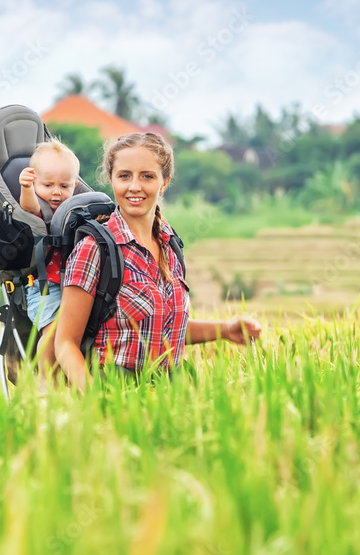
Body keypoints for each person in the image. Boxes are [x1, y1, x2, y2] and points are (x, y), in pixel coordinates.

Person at [53, 132, 261, 390]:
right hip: (115, 391)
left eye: (147, 176)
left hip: (170, 393)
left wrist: (226, 330)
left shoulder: (171, 245)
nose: (134, 187)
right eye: (124, 176)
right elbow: (65, 343)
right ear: (111, 179)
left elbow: (161, 328)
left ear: (164, 182)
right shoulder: (94, 250)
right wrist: (98, 402)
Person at [17, 138, 79, 384]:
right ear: (36, 182)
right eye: (48, 184)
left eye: (64, 185)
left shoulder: (74, 209)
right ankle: (45, 380)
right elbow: (28, 207)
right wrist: (27, 189)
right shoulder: (41, 210)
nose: (56, 192)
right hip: (46, 287)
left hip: (75, 283)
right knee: (53, 331)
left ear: (75, 185)